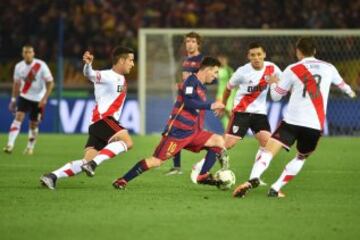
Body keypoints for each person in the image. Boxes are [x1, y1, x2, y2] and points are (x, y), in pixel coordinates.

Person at [233, 37, 356, 198]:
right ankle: (276, 188)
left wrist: (273, 82)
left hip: (292, 122)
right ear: (315, 51)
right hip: (314, 125)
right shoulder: (329, 68)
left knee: (268, 151)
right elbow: (344, 87)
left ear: (298, 52)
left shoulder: (293, 69)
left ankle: (253, 178)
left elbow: (276, 97)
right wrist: (352, 94)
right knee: (301, 157)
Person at [112, 57, 227, 190]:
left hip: (193, 132)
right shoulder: (191, 81)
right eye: (215, 72)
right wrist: (211, 105)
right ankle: (123, 180)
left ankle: (202, 175)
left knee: (218, 141)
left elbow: (197, 109)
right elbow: (189, 102)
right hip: (178, 133)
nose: (216, 76)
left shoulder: (202, 87)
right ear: (207, 69)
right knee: (156, 161)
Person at [40, 46, 135, 190]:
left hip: (97, 124)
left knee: (86, 160)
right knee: (127, 142)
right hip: (104, 119)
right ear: (121, 60)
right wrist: (88, 65)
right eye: (130, 60)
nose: (132, 64)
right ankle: (93, 164)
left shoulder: (121, 79)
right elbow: (90, 74)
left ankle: (52, 176)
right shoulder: (108, 76)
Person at [203, 42, 281, 186]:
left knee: (267, 144)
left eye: (259, 54)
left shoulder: (272, 68)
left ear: (264, 55)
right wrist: (223, 105)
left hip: (259, 114)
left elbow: (278, 84)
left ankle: (254, 177)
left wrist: (276, 84)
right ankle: (201, 167)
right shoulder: (242, 72)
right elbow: (228, 88)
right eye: (253, 55)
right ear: (248, 56)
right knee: (226, 144)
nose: (256, 58)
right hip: (241, 113)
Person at [3, 45, 54, 155]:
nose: (27, 54)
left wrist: (44, 99)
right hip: (24, 96)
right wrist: (13, 99)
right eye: (25, 52)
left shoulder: (41, 65)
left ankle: (30, 147)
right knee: (18, 117)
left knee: (33, 124)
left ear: (33, 53)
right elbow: (16, 84)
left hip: (38, 98)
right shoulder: (18, 66)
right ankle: (10, 144)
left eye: (29, 52)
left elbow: (50, 83)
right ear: (22, 54)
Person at [166, 31, 204, 176]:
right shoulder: (185, 60)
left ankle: (215, 156)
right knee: (175, 130)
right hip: (183, 101)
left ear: (198, 44)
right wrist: (180, 85)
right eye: (188, 41)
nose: (190, 44)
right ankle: (176, 167)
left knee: (198, 136)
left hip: (195, 102)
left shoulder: (202, 60)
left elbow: (205, 80)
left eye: (193, 41)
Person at [216, 54, 235, 130]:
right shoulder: (217, 70)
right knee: (222, 114)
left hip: (229, 95)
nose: (221, 61)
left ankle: (230, 130)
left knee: (228, 112)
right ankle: (227, 131)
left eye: (223, 59)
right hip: (220, 94)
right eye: (220, 59)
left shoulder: (229, 70)